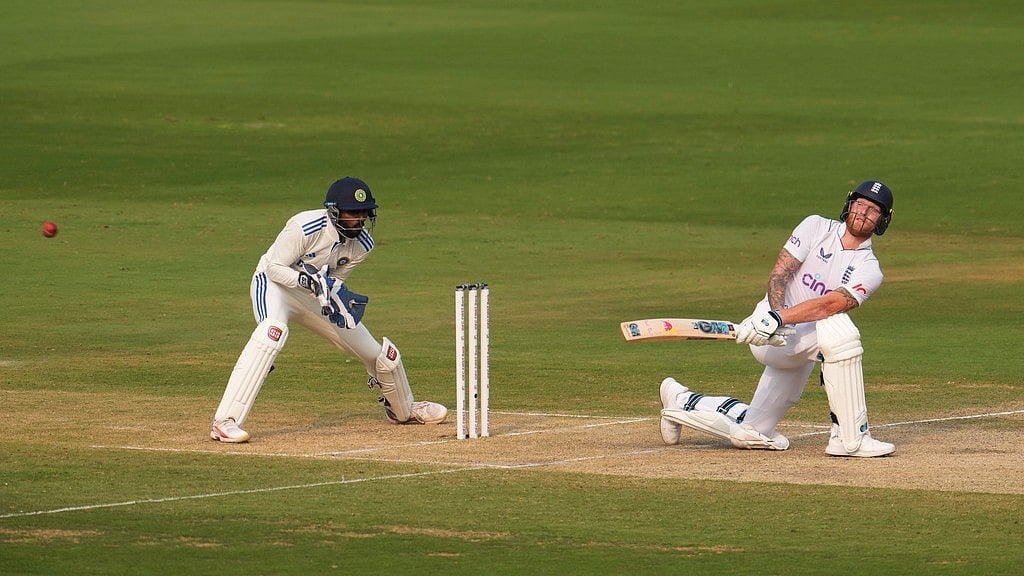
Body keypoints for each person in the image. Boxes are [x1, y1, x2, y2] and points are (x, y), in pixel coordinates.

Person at [659, 180, 896, 457]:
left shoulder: (870, 269)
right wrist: (773, 316)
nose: (863, 213)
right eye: (860, 204)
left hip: (802, 338)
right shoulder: (816, 226)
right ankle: (848, 438)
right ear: (849, 204)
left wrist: (782, 319)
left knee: (752, 433)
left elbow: (830, 304)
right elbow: (781, 273)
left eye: (872, 210)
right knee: (843, 337)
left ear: (882, 221)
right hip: (767, 330)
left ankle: (681, 401)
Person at [210, 177, 447, 443]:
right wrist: (302, 280)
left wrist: (332, 297)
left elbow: (336, 279)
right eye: (352, 213)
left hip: (314, 294)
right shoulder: (304, 226)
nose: (359, 220)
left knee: (380, 356)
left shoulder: (363, 245)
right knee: (271, 334)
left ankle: (402, 410)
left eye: (363, 214)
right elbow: (274, 268)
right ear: (334, 211)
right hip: (275, 286)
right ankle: (224, 421)